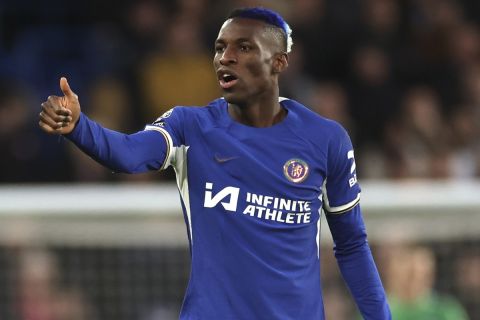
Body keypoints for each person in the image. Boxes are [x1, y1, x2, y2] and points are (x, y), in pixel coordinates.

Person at [38, 7, 391, 320]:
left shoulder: (326, 139)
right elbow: (129, 154)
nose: (226, 57)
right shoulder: (190, 127)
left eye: (244, 47)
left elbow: (351, 245)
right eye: (220, 48)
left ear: (279, 61)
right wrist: (80, 128)